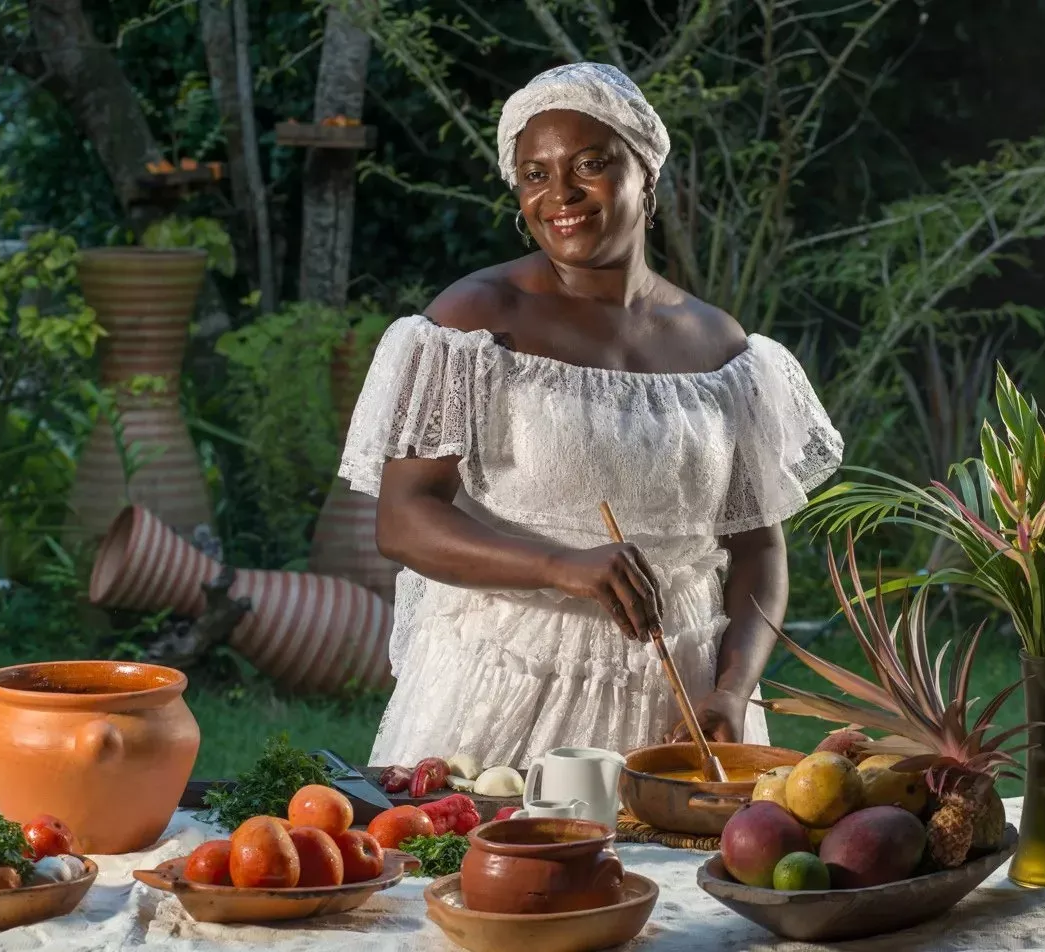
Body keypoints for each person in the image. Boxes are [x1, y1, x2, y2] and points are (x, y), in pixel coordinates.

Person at [340, 63, 843, 770]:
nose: (560, 194)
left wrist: (732, 688)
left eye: (592, 164)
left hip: (683, 707)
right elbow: (403, 520)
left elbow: (760, 551)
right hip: (507, 689)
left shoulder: (726, 351)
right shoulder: (474, 324)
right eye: (534, 174)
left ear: (648, 177)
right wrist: (559, 563)